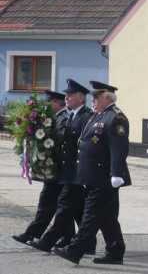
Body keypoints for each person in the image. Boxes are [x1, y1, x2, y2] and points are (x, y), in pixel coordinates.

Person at [52, 81, 131, 265]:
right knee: (108, 216)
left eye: (96, 97)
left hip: (105, 176)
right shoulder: (98, 115)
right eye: (93, 97)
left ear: (107, 98)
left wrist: (117, 173)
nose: (93, 100)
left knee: (91, 214)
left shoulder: (116, 117)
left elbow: (119, 147)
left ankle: (75, 250)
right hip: (93, 176)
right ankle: (115, 250)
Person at [29, 79, 94, 253]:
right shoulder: (71, 116)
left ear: (81, 98)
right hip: (67, 170)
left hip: (77, 170)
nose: (66, 98)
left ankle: (47, 242)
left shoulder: (86, 116)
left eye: (70, 95)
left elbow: (85, 146)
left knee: (64, 206)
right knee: (78, 209)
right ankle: (88, 244)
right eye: (66, 95)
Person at [11, 91, 69, 245]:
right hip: (53, 170)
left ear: (57, 103)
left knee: (50, 204)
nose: (46, 106)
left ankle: (32, 235)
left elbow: (59, 141)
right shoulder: (53, 118)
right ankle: (68, 238)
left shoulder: (64, 119)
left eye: (49, 102)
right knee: (59, 206)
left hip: (58, 169)